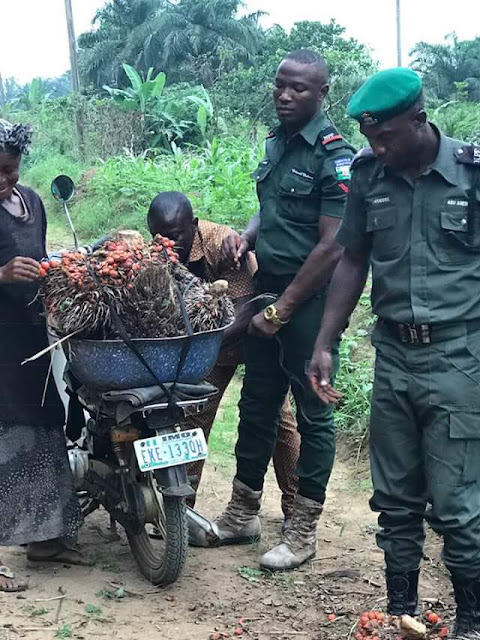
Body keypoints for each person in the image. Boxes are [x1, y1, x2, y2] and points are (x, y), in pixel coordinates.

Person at [308, 68, 480, 637]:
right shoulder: (368, 174)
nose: (376, 148)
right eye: (370, 138)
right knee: (396, 496)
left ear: (418, 120)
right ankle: (402, 607)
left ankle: (472, 619)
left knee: (458, 503)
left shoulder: (472, 174)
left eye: (385, 138)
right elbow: (351, 257)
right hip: (393, 358)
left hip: (459, 357)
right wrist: (325, 342)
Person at [205, 49, 354, 571]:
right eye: (280, 86)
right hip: (266, 289)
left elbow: (332, 245)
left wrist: (283, 310)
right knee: (258, 404)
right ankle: (242, 513)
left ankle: (303, 529)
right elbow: (271, 208)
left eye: (299, 89)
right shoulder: (277, 142)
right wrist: (246, 236)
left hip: (310, 302)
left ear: (322, 94)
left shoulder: (335, 156)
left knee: (314, 415)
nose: (285, 96)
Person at [147, 191, 300, 527]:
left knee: (279, 420)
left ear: (194, 225)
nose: (167, 245)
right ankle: (180, 512)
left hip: (251, 337)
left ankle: (296, 510)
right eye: (158, 238)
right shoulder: (157, 256)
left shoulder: (223, 243)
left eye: (174, 236)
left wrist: (199, 344)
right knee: (193, 416)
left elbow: (246, 311)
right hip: (207, 348)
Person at [0, 119, 84, 593]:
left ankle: (44, 538)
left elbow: (40, 255)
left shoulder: (30, 201)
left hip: (32, 336)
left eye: (8, 170)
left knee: (43, 425)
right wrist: (2, 274)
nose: (2, 181)